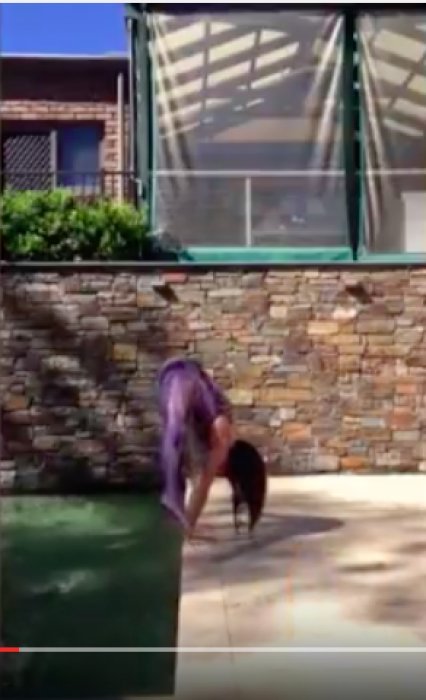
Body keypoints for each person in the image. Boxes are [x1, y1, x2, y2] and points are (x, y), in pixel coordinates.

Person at [157, 357, 235, 540]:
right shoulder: (194, 387)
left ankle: (183, 519)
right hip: (181, 374)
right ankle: (174, 503)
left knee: (202, 472)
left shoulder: (213, 425)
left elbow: (205, 480)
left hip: (183, 382)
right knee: (176, 433)